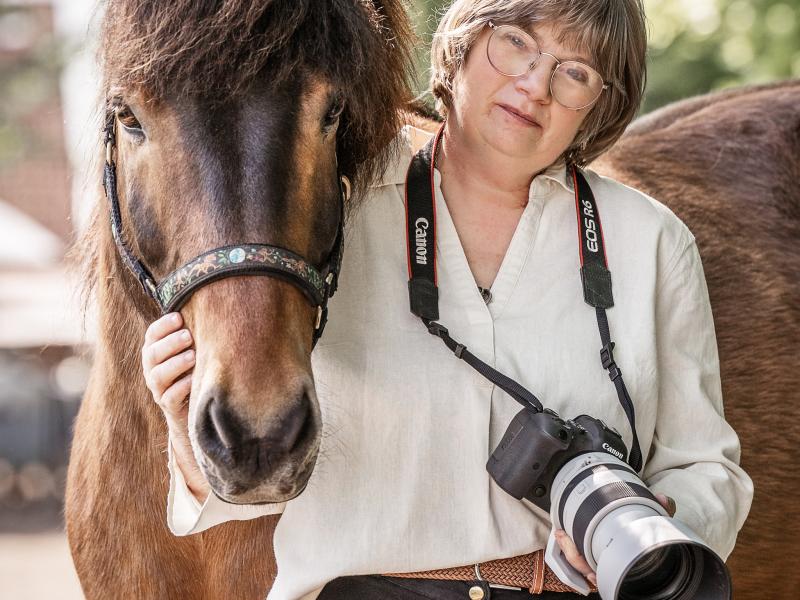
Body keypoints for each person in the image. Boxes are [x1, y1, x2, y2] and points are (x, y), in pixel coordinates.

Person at [141, 1, 753, 598]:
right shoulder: (327, 210)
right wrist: (185, 427)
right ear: (460, 45)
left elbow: (709, 468)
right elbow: (248, 476)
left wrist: (663, 519)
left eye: (575, 72)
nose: (535, 84)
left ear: (600, 106)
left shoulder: (653, 242)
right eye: (515, 41)